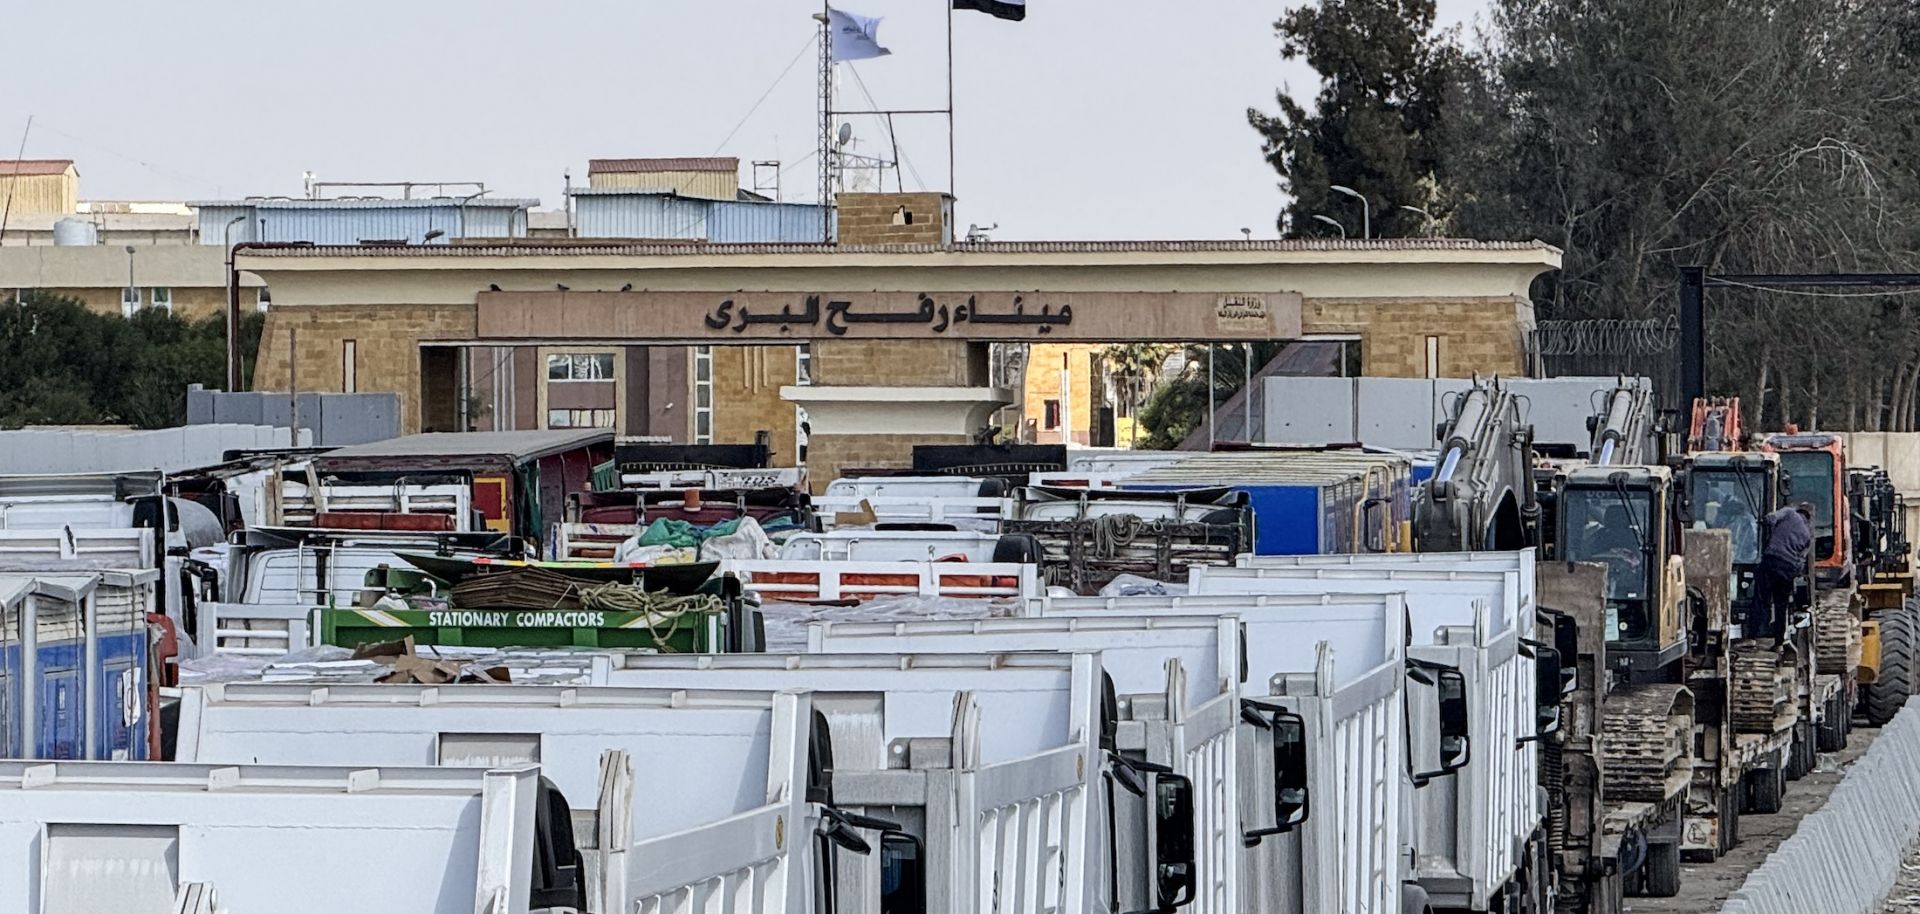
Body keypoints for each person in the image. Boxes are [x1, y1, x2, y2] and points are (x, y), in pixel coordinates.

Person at [1752, 502, 1813, 646]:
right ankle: (1778, 642)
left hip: (1772, 560)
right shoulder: (1807, 536)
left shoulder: (1789, 512)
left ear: (1799, 511)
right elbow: (1801, 562)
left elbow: (1771, 518)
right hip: (1788, 569)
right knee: (1781, 605)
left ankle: (1753, 635)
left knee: (1761, 598)